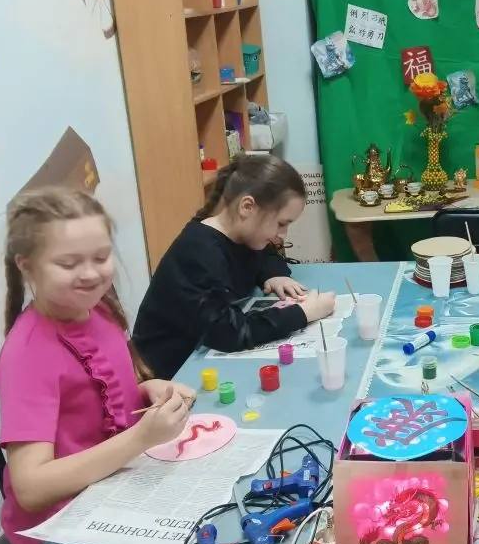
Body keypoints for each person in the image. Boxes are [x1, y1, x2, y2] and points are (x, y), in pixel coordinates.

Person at [0, 188, 194, 544]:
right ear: (27, 266)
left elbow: (96, 403)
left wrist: (146, 390)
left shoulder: (99, 310)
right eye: (68, 263)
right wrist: (141, 438)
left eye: (101, 257)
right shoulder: (27, 354)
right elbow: (31, 488)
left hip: (117, 486)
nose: (90, 274)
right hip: (62, 529)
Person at [133, 155, 335, 379]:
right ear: (247, 207)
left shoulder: (240, 233)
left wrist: (274, 274)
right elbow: (229, 333)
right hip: (169, 372)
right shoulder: (199, 251)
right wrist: (303, 313)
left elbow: (263, 253)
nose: (282, 235)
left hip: (200, 358)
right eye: (281, 224)